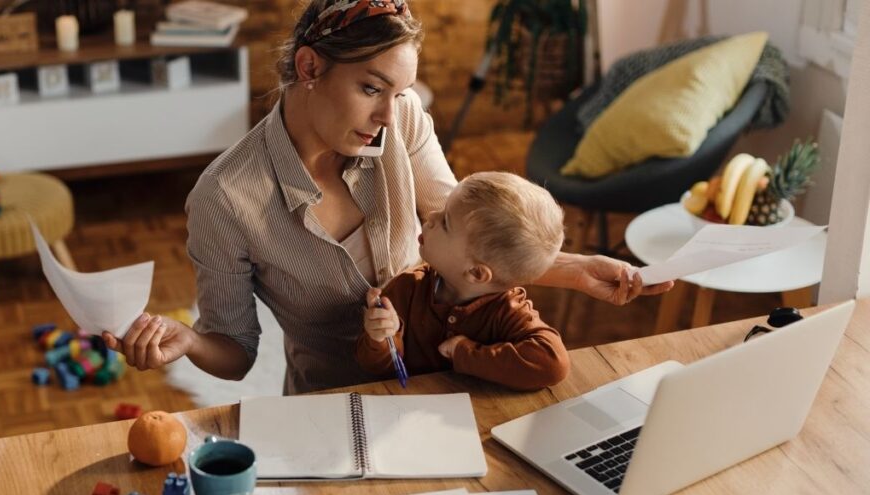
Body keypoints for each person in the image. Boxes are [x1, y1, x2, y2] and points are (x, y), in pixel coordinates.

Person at [103, 0, 673, 395]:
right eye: (372, 88)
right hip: (332, 405)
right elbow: (236, 352)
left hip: (444, 388)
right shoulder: (225, 198)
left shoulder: (401, 119)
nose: (387, 116)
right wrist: (190, 343)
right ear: (309, 67)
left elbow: (468, 232)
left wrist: (573, 271)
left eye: (398, 92)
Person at [357, 172, 569, 390]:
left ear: (476, 273)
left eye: (445, 222)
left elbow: (553, 364)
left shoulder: (509, 310)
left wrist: (466, 353)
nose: (430, 216)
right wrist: (381, 338)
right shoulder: (406, 288)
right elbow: (376, 368)